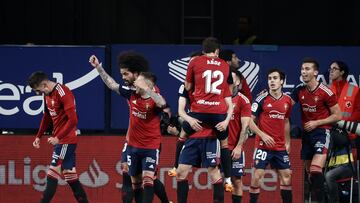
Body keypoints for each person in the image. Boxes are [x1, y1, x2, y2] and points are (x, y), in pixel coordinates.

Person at [89, 53, 170, 203]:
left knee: (148, 179)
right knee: (133, 179)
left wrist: (148, 91)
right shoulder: (130, 91)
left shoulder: (153, 94)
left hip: (151, 144)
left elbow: (164, 105)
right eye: (122, 74)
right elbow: (112, 84)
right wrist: (98, 67)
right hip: (132, 143)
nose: (123, 77)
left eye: (126, 74)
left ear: (137, 74)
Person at [28, 71, 89, 203]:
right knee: (70, 176)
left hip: (66, 140)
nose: (38, 93)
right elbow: (47, 117)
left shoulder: (63, 92)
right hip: (61, 140)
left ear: (44, 85)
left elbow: (73, 120)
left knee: (52, 174)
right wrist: (39, 136)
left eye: (38, 90)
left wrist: (58, 137)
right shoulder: (47, 94)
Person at [183, 37, 234, 192]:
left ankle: (174, 166)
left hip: (199, 111)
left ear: (203, 50)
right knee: (224, 145)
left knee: (183, 134)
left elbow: (187, 86)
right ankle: (228, 179)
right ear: (217, 51)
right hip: (218, 113)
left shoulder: (195, 62)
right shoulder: (225, 65)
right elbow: (227, 90)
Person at [290, 58, 342, 202]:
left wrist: (317, 122)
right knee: (310, 174)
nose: (303, 72)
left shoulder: (326, 92)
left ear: (315, 72)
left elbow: (338, 115)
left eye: (307, 69)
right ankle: (319, 198)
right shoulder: (299, 90)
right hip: (307, 135)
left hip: (322, 132)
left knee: (315, 170)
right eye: (302, 69)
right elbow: (285, 106)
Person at [248, 68, 293, 203]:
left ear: (282, 81)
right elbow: (249, 121)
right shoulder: (261, 98)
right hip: (262, 145)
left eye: (275, 78)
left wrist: (288, 142)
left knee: (286, 177)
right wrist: (263, 135)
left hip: (279, 147)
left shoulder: (287, 100)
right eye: (269, 78)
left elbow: (286, 121)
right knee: (257, 177)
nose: (272, 81)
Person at [325, 60, 360, 202]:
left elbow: (358, 113)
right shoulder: (326, 89)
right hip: (330, 136)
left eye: (334, 69)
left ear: (342, 72)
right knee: (326, 176)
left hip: (349, 137)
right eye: (330, 68)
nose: (331, 71)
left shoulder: (354, 90)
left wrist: (342, 124)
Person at [176, 126, 225, 203]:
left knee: (214, 173)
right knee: (180, 172)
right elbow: (181, 113)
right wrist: (188, 120)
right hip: (192, 137)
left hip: (210, 136)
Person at [227, 70, 252, 203]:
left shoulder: (243, 100)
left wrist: (238, 147)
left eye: (231, 78)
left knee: (236, 181)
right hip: (220, 147)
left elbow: (245, 127)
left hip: (235, 148)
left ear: (237, 82)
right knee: (217, 179)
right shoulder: (219, 98)